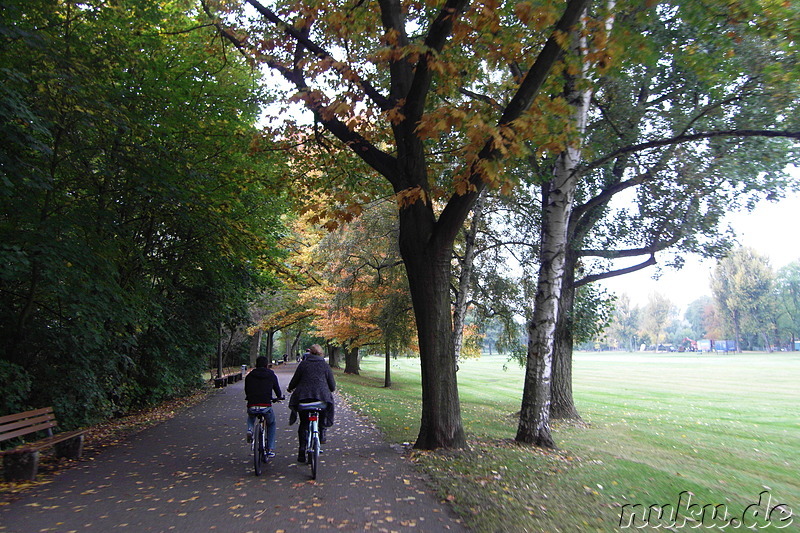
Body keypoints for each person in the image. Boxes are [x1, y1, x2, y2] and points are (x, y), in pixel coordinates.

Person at [287, 344, 336, 462]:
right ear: (321, 354)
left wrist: (290, 388)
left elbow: (295, 380)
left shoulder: (303, 365)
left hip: (304, 399)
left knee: (303, 424)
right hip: (321, 399)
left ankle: (301, 451)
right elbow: (332, 386)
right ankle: (322, 431)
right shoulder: (325, 365)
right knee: (325, 409)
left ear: (310, 353)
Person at [245, 355, 283, 457]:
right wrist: (279, 397)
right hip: (266, 405)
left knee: (251, 416)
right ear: (267, 365)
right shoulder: (271, 375)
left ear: (256, 365)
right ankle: (270, 448)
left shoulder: (250, 375)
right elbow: (277, 389)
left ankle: (250, 429)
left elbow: (247, 390)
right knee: (271, 423)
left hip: (252, 404)